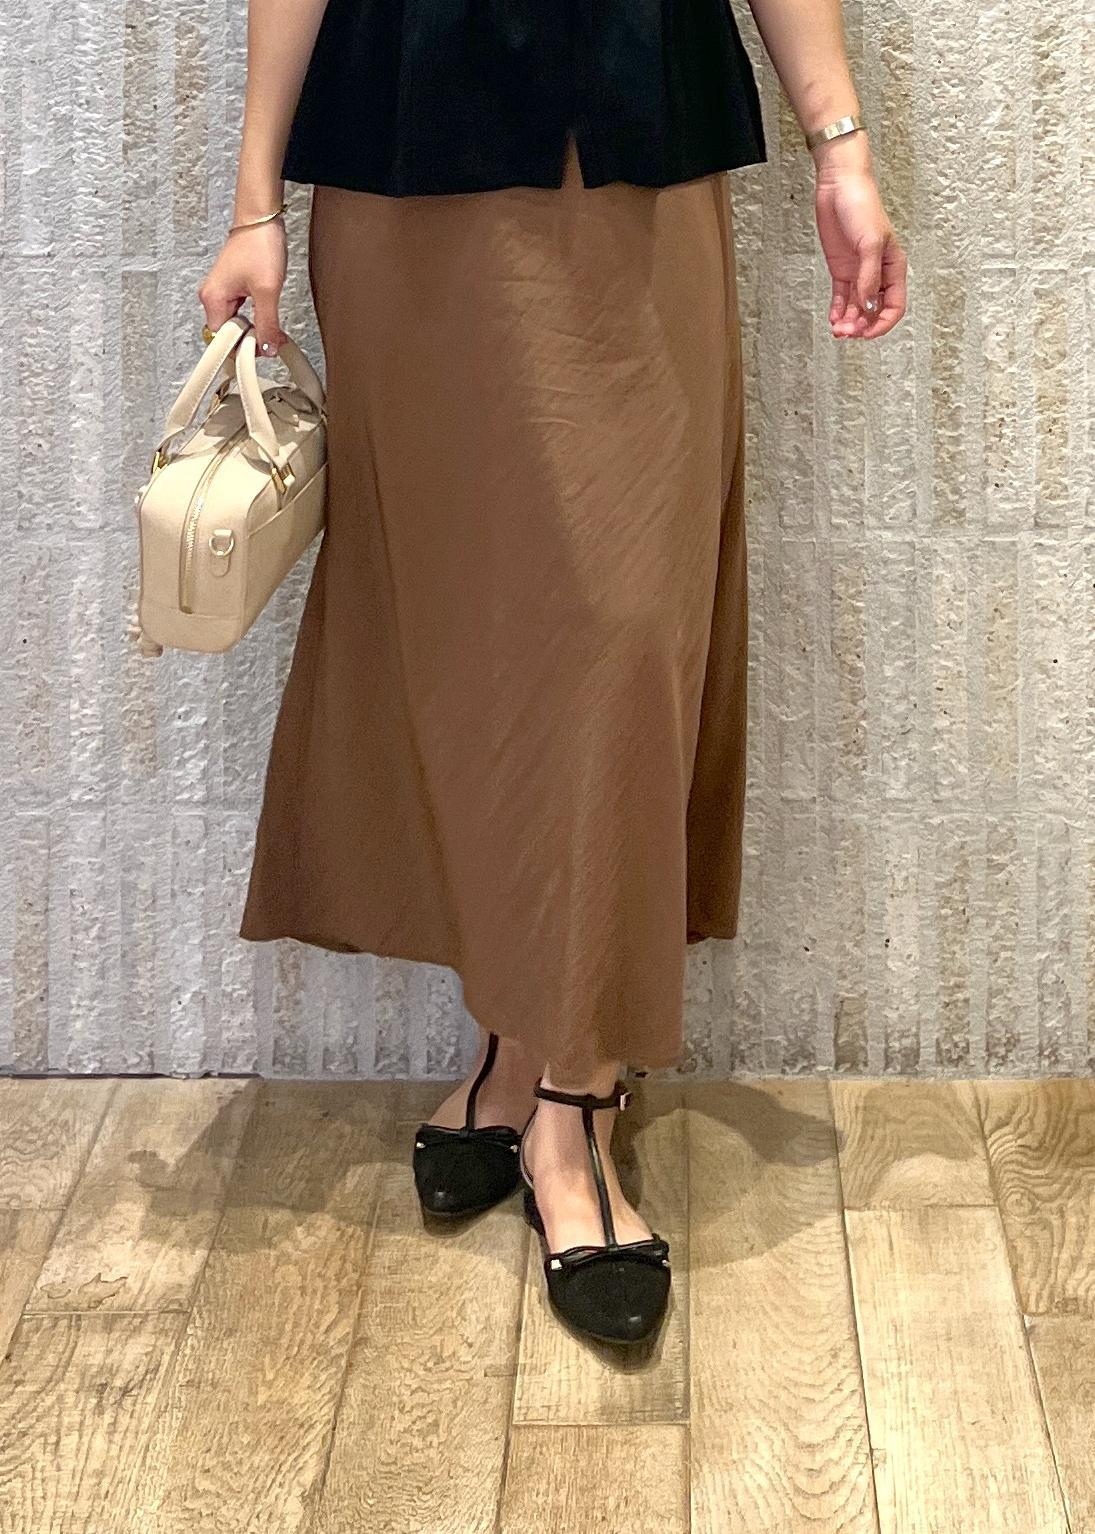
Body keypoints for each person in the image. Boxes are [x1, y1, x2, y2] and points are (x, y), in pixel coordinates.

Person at [199, 0, 906, 1348]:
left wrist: (844, 147)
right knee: (460, 632)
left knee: (626, 625)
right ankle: (522, 1047)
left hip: (633, 155)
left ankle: (573, 1103)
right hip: (405, 161)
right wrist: (254, 203)